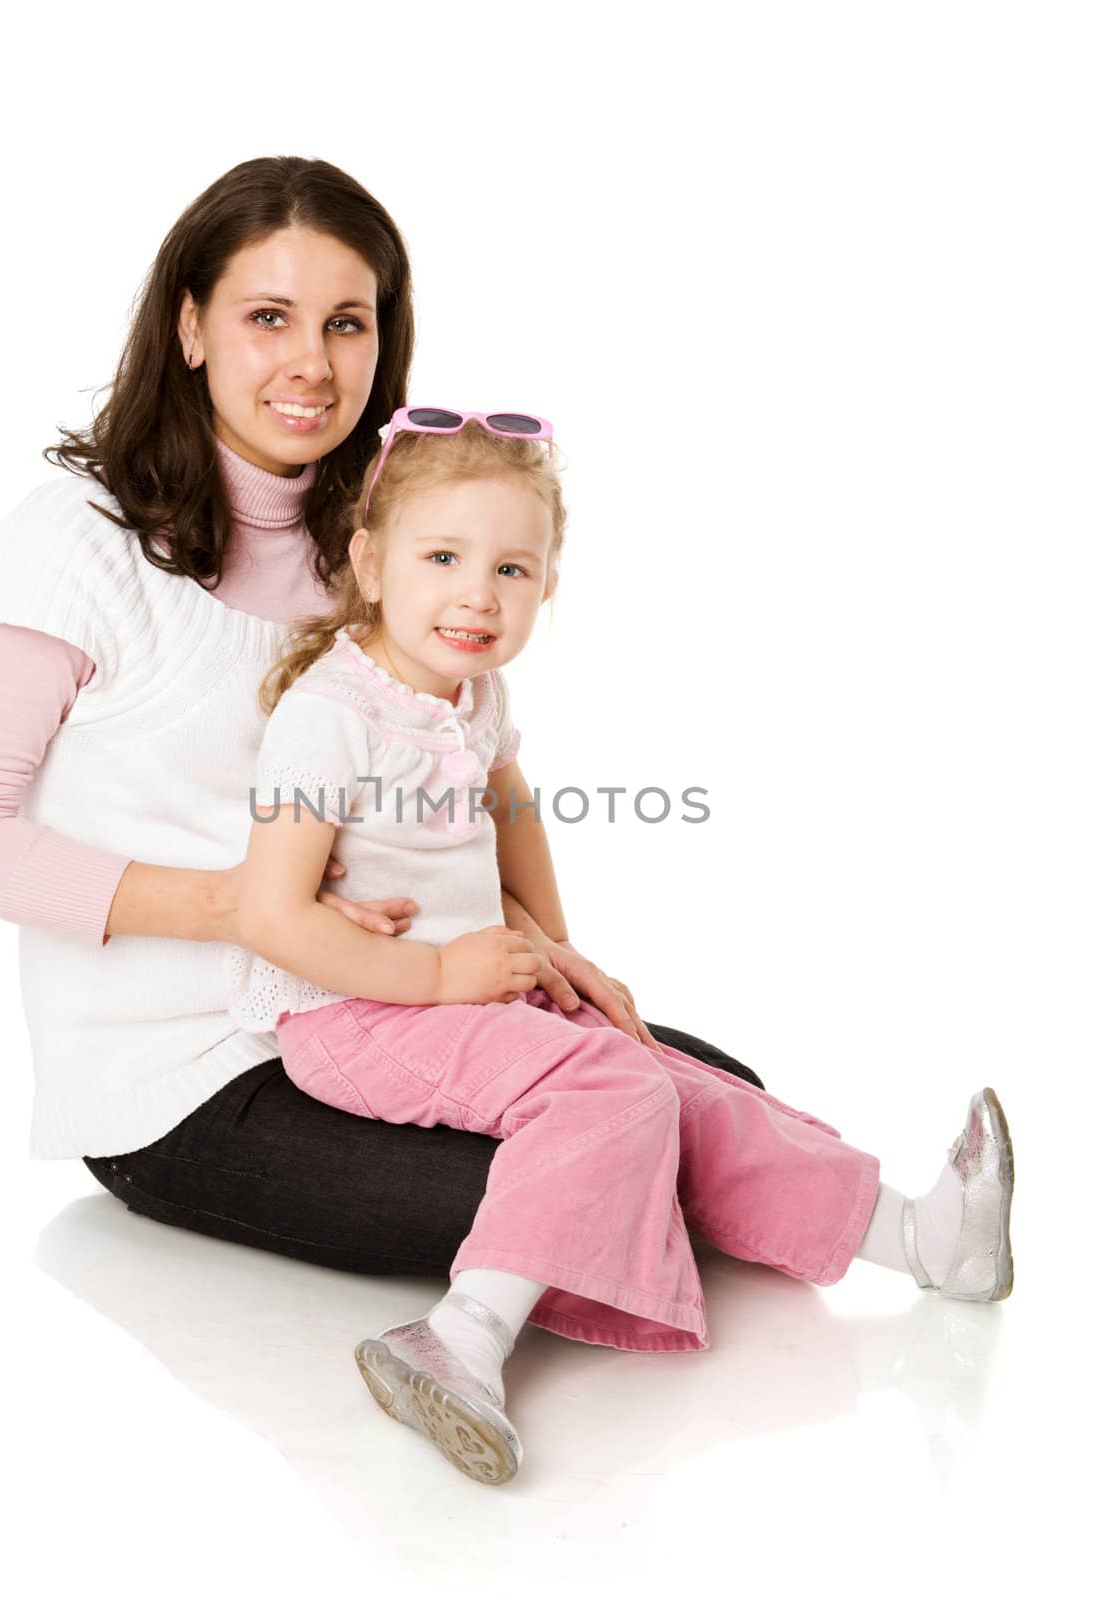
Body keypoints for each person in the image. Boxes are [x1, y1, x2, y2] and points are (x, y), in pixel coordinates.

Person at [0, 156, 766, 1286]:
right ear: (191, 328)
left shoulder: (379, 542)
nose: (311, 363)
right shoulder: (71, 544)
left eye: (346, 323)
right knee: (595, 1180)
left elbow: (477, 777)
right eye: (268, 317)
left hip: (398, 1013)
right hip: (186, 1074)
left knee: (715, 1107)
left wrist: (542, 948)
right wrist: (260, 910)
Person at [221, 407, 1017, 1486]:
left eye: (511, 568)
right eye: (443, 557)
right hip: (356, 1011)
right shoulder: (331, 713)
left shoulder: (474, 692)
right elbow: (273, 916)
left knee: (679, 1086)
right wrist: (439, 972)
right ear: (369, 563)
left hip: (466, 996)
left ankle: (925, 1239)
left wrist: (550, 946)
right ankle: (458, 1337)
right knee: (611, 1093)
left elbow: (505, 806)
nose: (477, 594)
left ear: (546, 588)